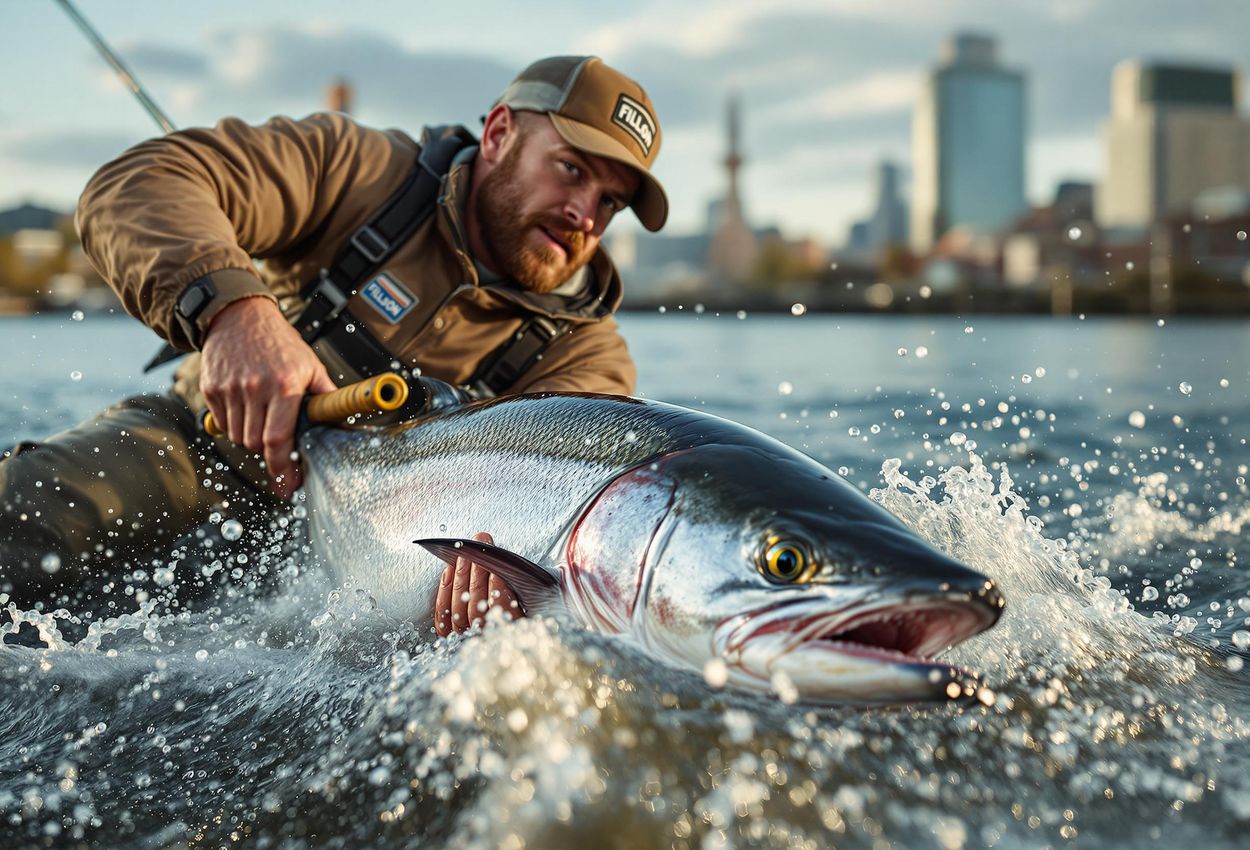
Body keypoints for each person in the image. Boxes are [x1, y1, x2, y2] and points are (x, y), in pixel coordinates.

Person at [0, 56, 667, 635]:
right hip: (202, 448)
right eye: (572, 169)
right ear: (498, 134)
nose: (586, 214)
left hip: (387, 564)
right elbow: (138, 183)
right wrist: (233, 311)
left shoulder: (590, 362)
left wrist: (509, 605)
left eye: (611, 202)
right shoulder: (361, 170)